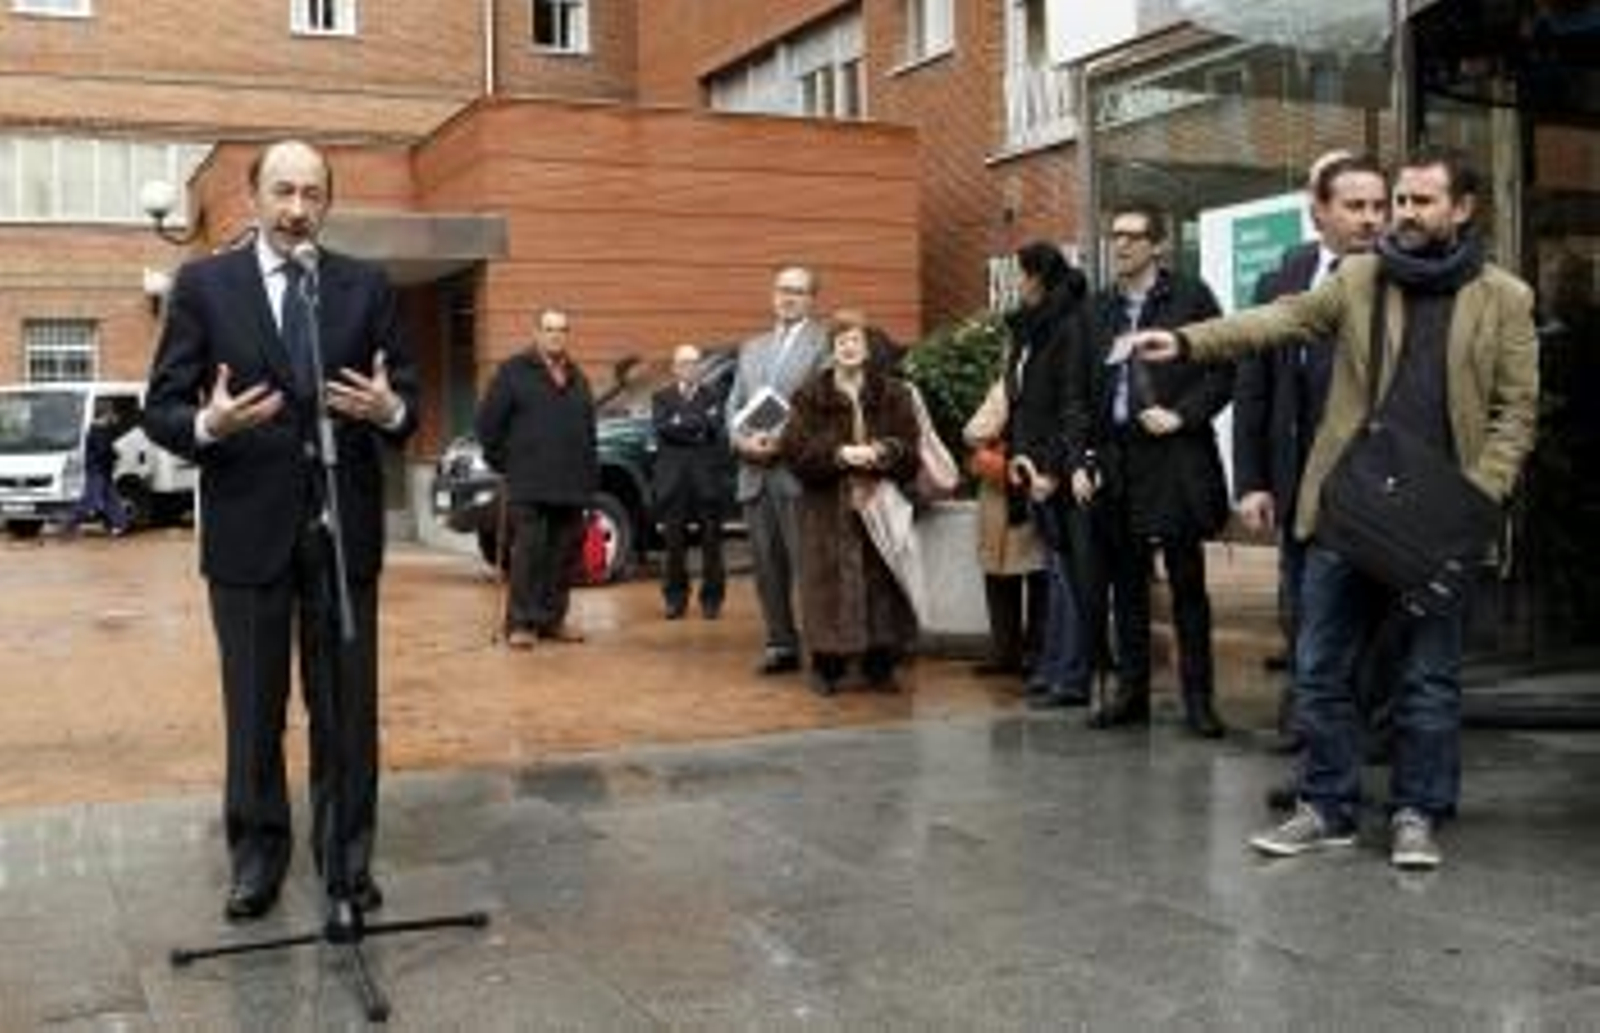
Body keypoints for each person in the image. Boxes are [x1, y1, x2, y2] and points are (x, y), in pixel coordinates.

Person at [1127, 147, 1539, 869]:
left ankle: (1417, 811)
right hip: (1348, 508)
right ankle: (1328, 805)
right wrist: (1188, 340)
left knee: (1427, 679)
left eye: (1419, 202)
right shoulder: (1359, 277)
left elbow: (1516, 413)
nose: (1401, 214)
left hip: (1439, 518)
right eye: (1398, 200)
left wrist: (1478, 497)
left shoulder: (1504, 297)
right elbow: (1280, 320)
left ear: (1464, 209)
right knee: (1319, 667)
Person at [143, 139, 419, 922]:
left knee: (346, 713)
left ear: (328, 201)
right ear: (253, 197)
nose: (298, 210)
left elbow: (407, 397)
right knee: (255, 709)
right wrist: (210, 421)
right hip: (246, 534)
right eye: (283, 192)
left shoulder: (364, 287)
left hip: (342, 534)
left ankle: (347, 863)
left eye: (312, 194)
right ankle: (258, 859)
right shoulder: (204, 285)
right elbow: (161, 409)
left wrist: (387, 409)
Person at [1232, 152, 1392, 800]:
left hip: (1379, 498)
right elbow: (1255, 388)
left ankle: (1359, 769)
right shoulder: (1286, 278)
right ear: (1317, 211)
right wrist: (1253, 480)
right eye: (1355, 206)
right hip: (1301, 494)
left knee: (1374, 641)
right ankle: (1324, 771)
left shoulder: (1402, 279)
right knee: (1310, 634)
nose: (1371, 219)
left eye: (1378, 207)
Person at [1082, 201, 1232, 737]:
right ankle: (1133, 693)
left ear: (1158, 244)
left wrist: (1183, 414)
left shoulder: (1190, 297)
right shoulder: (1096, 309)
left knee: (1187, 584)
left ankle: (1198, 700)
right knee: (1126, 585)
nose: (1119, 245)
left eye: (1132, 236)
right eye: (1114, 235)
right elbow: (1080, 392)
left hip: (1173, 458)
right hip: (1117, 459)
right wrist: (1084, 457)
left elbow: (1222, 372)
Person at [780, 312, 921, 694]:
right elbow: (794, 451)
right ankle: (828, 667)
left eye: (855, 339)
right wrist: (840, 454)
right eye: (841, 340)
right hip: (827, 510)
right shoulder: (809, 396)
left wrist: (883, 451)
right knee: (828, 586)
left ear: (867, 347)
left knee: (881, 583)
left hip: (879, 506)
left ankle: (881, 664)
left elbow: (911, 448)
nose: (848, 346)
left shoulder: (893, 393)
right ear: (832, 349)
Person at [1002, 241, 1096, 710]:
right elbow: (1020, 404)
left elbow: (1072, 404)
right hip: (1033, 467)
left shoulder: (1069, 325)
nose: (1016, 284)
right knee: (1056, 576)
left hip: (1060, 471)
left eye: (1020, 273)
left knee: (1072, 578)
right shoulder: (1028, 331)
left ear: (1038, 275)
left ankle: (1073, 674)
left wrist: (1055, 470)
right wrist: (1021, 459)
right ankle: (1053, 666)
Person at [726, 266, 828, 675]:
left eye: (798, 291)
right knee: (767, 567)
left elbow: (821, 406)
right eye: (782, 290)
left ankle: (822, 647)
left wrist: (781, 441)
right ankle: (780, 643)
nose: (788, 297)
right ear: (772, 295)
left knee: (808, 567)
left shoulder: (824, 344)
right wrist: (741, 440)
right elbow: (734, 405)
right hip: (753, 474)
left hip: (796, 474)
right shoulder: (752, 347)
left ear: (811, 299)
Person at [476, 307, 598, 650]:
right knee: (530, 555)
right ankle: (521, 623)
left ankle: (552, 619)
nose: (555, 334)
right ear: (536, 333)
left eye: (561, 329)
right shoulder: (513, 372)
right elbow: (488, 425)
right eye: (548, 328)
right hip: (529, 484)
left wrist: (589, 484)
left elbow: (589, 435)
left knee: (562, 557)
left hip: (571, 485)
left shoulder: (578, 378)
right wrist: (505, 463)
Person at [963, 378, 1048, 682]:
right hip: (1001, 489)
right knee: (1001, 573)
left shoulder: (1017, 384)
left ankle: (1031, 653)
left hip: (1034, 486)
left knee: (1038, 574)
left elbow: (977, 431)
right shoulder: (1006, 384)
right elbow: (974, 432)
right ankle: (1011, 653)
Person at [651, 343, 729, 620]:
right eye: (683, 363)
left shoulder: (714, 395)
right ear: (675, 368)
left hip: (707, 480)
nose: (689, 368)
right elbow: (662, 428)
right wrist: (698, 427)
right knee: (673, 545)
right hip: (673, 481)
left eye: (694, 363)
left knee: (712, 543)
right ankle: (675, 599)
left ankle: (712, 599)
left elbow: (717, 430)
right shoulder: (661, 397)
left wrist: (681, 423)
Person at [69, 401, 131, 536]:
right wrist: (114, 456)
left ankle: (120, 524)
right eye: (110, 412)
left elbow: (108, 446)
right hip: (96, 470)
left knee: (111, 498)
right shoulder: (96, 430)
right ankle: (71, 524)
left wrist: (114, 454)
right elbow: (102, 450)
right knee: (91, 500)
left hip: (104, 470)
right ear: (105, 413)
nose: (112, 415)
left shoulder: (104, 429)